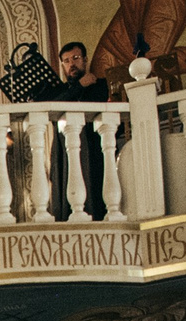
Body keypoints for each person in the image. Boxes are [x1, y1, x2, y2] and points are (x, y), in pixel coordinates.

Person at [47, 42, 111, 221]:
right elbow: (54, 107)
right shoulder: (60, 91)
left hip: (93, 148)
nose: (71, 64)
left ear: (85, 60)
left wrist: (84, 86)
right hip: (63, 152)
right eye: (66, 61)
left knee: (95, 195)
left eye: (75, 58)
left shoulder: (100, 85)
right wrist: (79, 86)